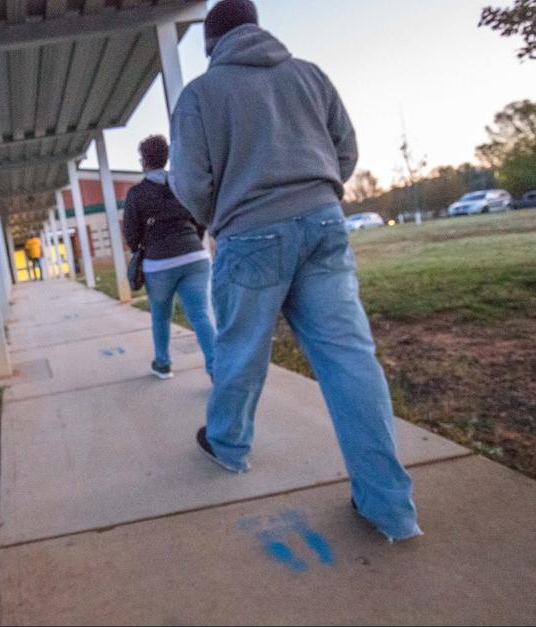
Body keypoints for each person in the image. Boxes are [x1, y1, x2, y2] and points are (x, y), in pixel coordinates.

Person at [169, 0, 421, 542]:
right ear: (257, 29)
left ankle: (230, 446)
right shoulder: (310, 75)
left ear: (211, 45)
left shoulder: (200, 95)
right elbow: (346, 150)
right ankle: (389, 508)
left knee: (241, 353)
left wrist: (222, 217)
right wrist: (318, 191)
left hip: (249, 236)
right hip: (325, 227)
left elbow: (188, 182)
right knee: (351, 360)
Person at [123, 135, 216, 381]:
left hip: (159, 263)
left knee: (161, 315)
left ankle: (163, 364)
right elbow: (200, 218)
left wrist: (146, 246)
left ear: (144, 161)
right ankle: (218, 369)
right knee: (201, 315)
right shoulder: (181, 186)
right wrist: (190, 240)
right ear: (166, 158)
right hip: (195, 256)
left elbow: (131, 234)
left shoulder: (136, 194)